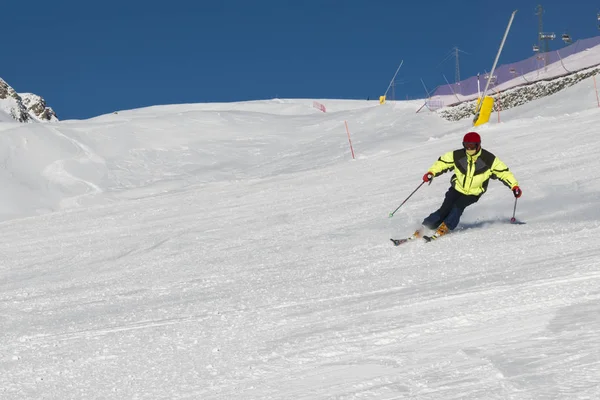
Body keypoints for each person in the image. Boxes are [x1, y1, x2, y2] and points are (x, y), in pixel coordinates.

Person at [414, 131, 521, 241]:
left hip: (474, 192)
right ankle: (425, 226)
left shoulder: (488, 159)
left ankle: (446, 226)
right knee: (445, 208)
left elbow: (504, 172)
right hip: (457, 188)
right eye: (466, 145)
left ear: (478, 145)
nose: (469, 148)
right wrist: (431, 173)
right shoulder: (458, 155)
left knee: (458, 207)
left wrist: (514, 186)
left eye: (472, 145)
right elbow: (442, 163)